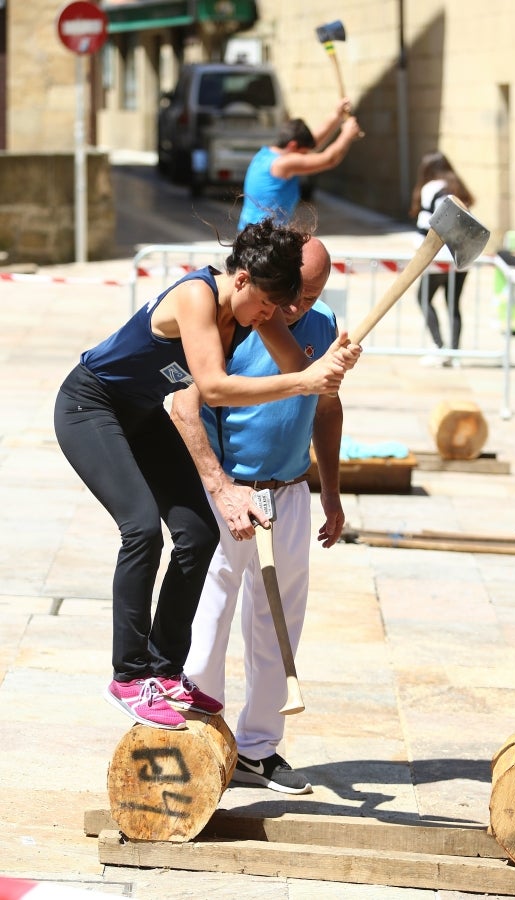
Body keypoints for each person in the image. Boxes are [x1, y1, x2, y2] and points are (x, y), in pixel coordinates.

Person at [53, 219, 361, 731]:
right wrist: (305, 377)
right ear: (241, 279)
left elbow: (302, 374)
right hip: (91, 407)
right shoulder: (196, 296)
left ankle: (166, 669)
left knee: (196, 532)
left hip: (143, 415)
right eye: (265, 305)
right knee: (142, 530)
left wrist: (330, 367)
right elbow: (214, 388)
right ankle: (128, 677)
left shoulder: (253, 304)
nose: (267, 318)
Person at [171, 237, 351, 793]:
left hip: (291, 490)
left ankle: (258, 748)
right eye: (296, 294)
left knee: (278, 623)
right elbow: (195, 399)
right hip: (230, 490)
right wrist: (219, 487)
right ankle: (193, 731)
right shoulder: (242, 320)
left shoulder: (322, 327)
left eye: (312, 295)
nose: (297, 307)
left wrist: (332, 491)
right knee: (211, 609)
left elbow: (327, 406)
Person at [237, 99, 362, 230]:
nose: (305, 156)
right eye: (303, 153)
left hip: (250, 233)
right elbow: (329, 160)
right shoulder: (283, 164)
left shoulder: (265, 155)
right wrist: (347, 135)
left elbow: (313, 142)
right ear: (292, 145)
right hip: (262, 236)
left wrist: (336, 116)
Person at [408, 151, 476, 365]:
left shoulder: (430, 189)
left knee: (423, 298)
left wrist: (419, 254)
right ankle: (455, 353)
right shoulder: (458, 189)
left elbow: (425, 225)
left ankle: (439, 346)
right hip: (462, 256)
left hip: (439, 258)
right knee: (453, 304)